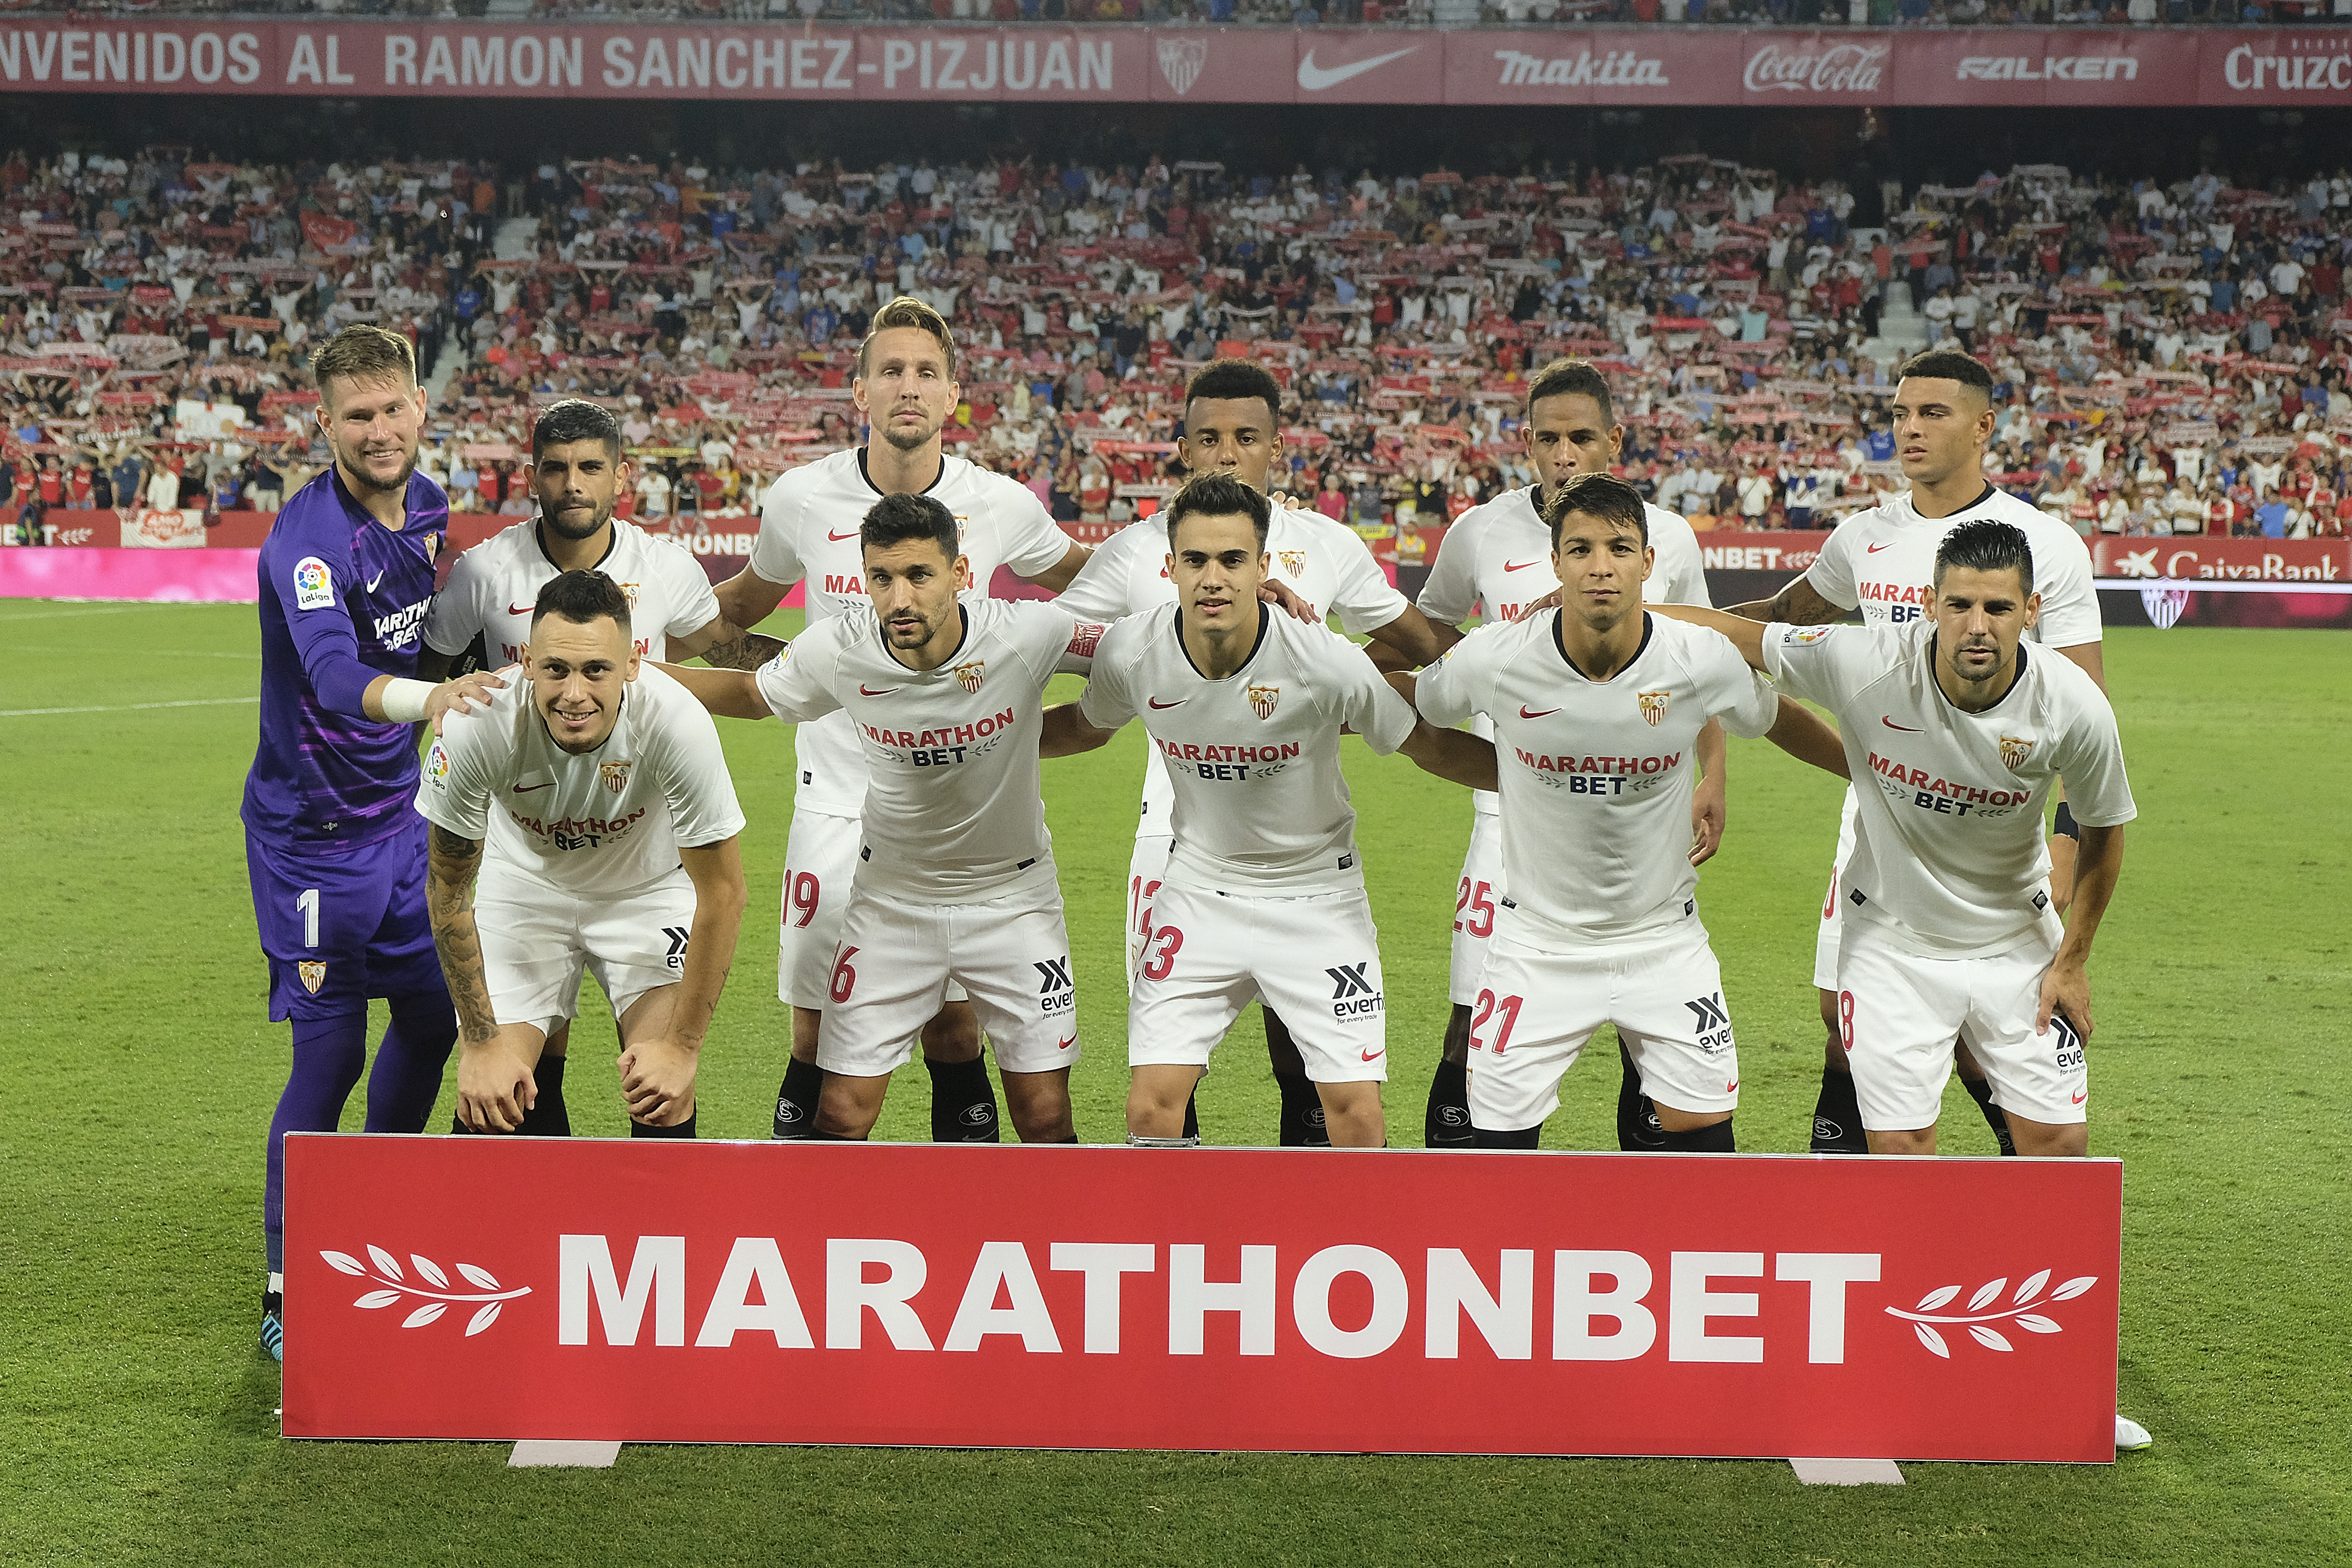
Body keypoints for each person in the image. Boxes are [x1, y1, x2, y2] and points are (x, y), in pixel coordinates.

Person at [1655, 518, 2150, 1454]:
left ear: (2029, 614)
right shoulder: (1865, 662)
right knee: (1901, 1149)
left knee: (2059, 1145)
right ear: (1927, 604)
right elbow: (1741, 637)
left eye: (1997, 607)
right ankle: (1897, 1371)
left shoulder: (2072, 706)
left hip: (2015, 943)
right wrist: (1625, 609)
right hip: (1888, 942)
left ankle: (2062, 1380)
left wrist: (2073, 957)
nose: (1975, 624)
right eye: (1957, 603)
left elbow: (2107, 827)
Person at [713, 297, 1092, 1145]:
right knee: (816, 1034)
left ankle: (964, 1221)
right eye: (891, 370)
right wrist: (620, 641)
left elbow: (1092, 583)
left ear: (955, 394)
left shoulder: (1000, 504)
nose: (908, 387)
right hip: (836, 801)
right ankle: (804, 1217)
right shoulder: (802, 497)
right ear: (859, 391)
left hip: (955, 820)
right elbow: (736, 608)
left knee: (955, 1031)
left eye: (926, 372)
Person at [1052, 357, 1445, 1147]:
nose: (1226, 454)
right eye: (1207, 438)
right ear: (1183, 448)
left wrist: (1321, 686)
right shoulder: (1139, 552)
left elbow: (1413, 642)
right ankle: (1180, 1224)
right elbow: (1051, 642)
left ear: (1276, 446)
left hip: (1295, 844)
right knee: (1165, 1061)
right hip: (1174, 833)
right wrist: (1148, 641)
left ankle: (1304, 1219)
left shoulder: (1326, 545)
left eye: (1245, 438)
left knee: (1302, 1056)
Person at [1729, 350, 2104, 1157]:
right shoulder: (1864, 536)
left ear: (1982, 425)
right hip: (1881, 819)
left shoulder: (2046, 544)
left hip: (1996, 832)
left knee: (1978, 1014)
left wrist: (2065, 853)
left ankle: (2013, 1149)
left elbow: (2083, 713)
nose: (1908, 428)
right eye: (1899, 413)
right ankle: (1854, 1179)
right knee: (1842, 1015)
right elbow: (1775, 619)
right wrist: (1642, 616)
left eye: (1931, 413)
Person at [1408, 474, 1848, 1151]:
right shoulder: (1494, 656)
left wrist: (1867, 773)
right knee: (1493, 1153)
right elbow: (1421, 717)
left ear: (1648, 562)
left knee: (1702, 1147)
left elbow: (1773, 718)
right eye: (1579, 549)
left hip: (1664, 946)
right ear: (1554, 563)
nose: (1600, 565)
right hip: (1534, 947)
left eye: (1618, 547)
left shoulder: (1697, 657)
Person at [669, 492, 1102, 1143]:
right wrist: (628, 673)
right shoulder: (840, 648)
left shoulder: (1026, 631)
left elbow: (1143, 648)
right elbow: (751, 695)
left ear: (960, 574)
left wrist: (1247, 609)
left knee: (1043, 1113)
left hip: (1015, 900)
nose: (899, 598)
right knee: (841, 1110)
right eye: (881, 578)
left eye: (919, 576)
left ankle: (1044, 1243)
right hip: (891, 902)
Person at [240, 324, 499, 1363]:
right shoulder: (307, 544)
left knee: (436, 1017)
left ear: (419, 408)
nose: (381, 429)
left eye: (394, 408)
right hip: (311, 837)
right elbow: (337, 676)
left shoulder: (430, 503)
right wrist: (438, 697)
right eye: (359, 415)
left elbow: (438, 618)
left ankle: (373, 1213)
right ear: (324, 422)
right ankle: (287, 1274)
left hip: (400, 823)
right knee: (331, 1047)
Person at [1397, 357, 1722, 1153]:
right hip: (1510, 813)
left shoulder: (1664, 535)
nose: (1565, 454)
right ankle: (1465, 1183)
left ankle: (1654, 1208)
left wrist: (1711, 777)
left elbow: (1698, 660)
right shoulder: (1479, 529)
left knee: (1644, 1022)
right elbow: (1427, 635)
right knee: (1475, 1006)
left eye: (1582, 437)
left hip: (1638, 811)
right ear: (1527, 444)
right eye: (1548, 439)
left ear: (1614, 438)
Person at [416, 399, 766, 1124]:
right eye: (555, 467)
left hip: (644, 878)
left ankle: (658, 1236)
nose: (574, 692)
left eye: (589, 467)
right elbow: (429, 671)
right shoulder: (484, 601)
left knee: (662, 1085)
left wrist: (835, 671)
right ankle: (515, 1232)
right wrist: (479, 1043)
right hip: (525, 869)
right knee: (497, 1090)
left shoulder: (669, 639)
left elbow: (727, 655)